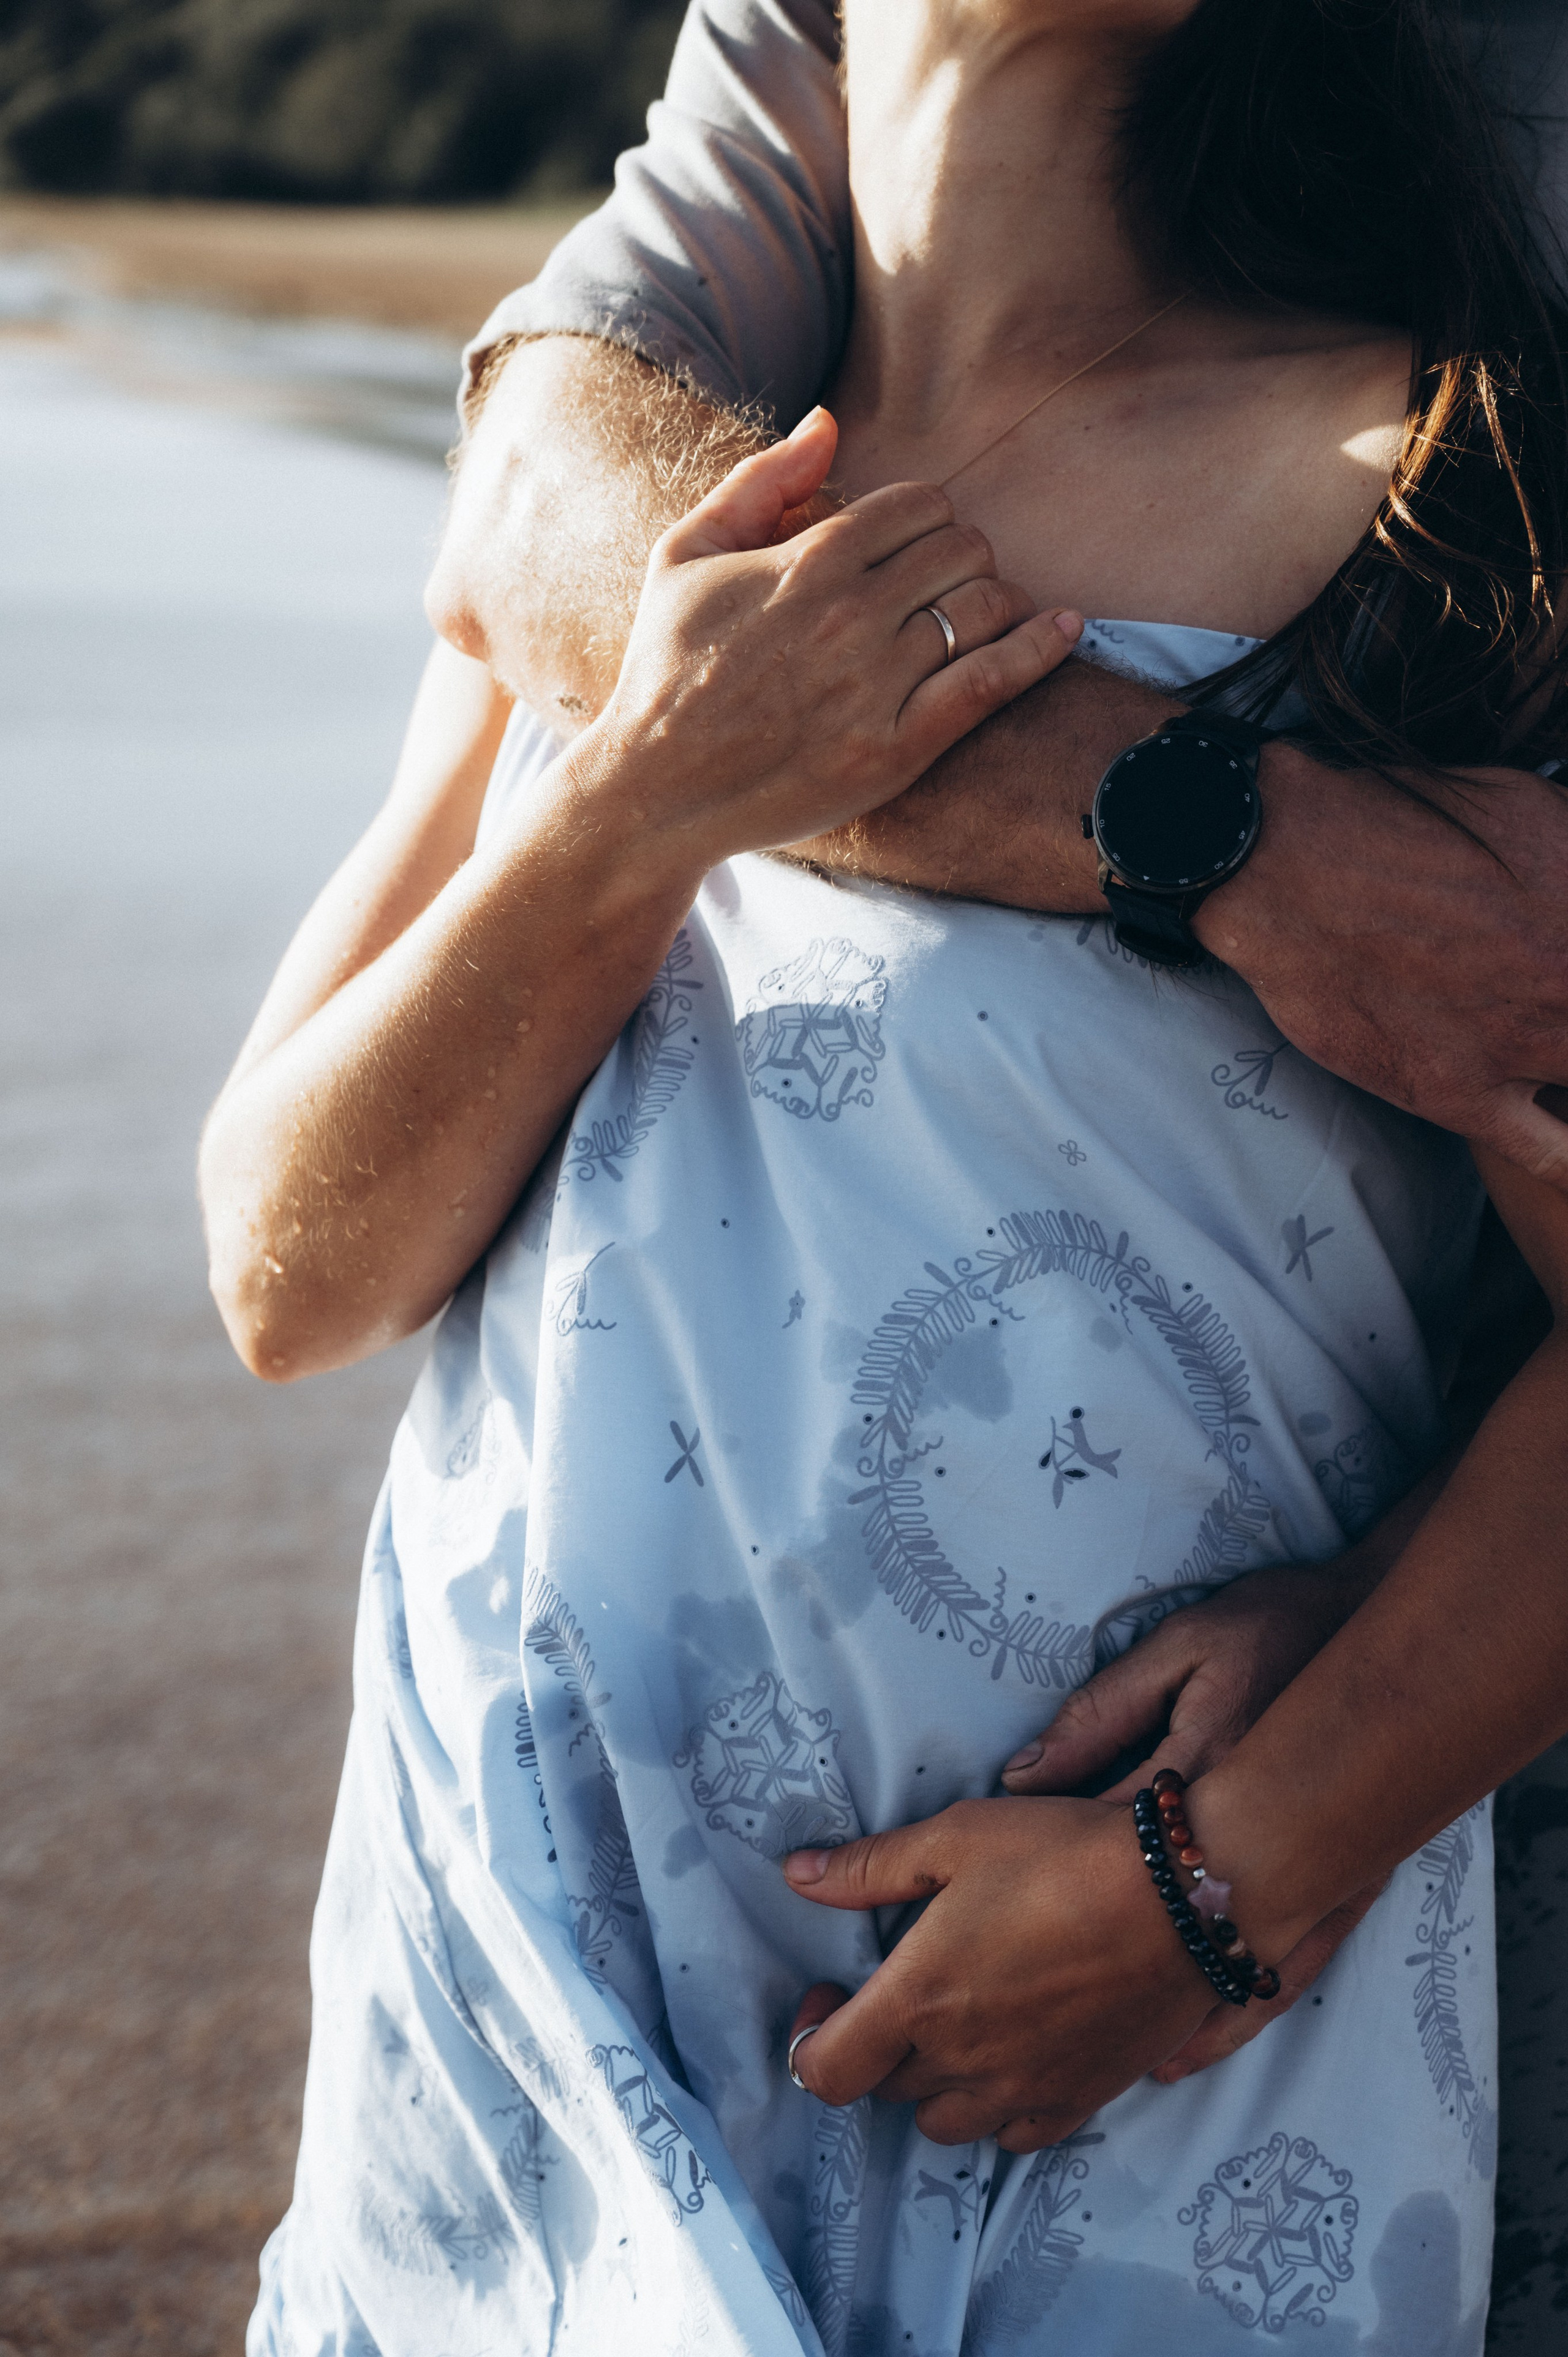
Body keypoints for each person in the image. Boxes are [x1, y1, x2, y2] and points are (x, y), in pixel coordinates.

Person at [206, 2, 1568, 2350]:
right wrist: (650, 796)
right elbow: (288, 1268)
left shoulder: (1432, 503)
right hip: (521, 1988)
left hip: (1134, 2066)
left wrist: (1216, 1889)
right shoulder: (633, 522)